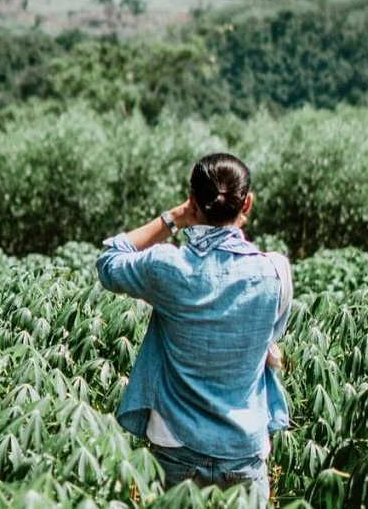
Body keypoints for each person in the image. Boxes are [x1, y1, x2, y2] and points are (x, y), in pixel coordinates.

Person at [95, 152, 292, 503]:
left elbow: (110, 261)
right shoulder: (275, 273)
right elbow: (269, 336)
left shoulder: (167, 267)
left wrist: (174, 218)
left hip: (175, 446)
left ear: (193, 199)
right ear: (247, 202)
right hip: (244, 450)